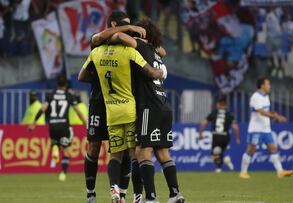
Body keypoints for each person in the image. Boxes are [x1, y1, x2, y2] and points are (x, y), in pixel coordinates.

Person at [79, 34, 166, 203]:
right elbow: (150, 70)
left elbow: (82, 76)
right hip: (129, 109)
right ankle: (138, 196)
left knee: (115, 155)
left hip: (111, 111)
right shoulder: (129, 52)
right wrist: (159, 72)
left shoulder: (96, 53)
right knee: (135, 154)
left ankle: (114, 189)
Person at [112, 19, 185, 203]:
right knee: (163, 153)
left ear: (142, 33)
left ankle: (151, 198)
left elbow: (119, 35)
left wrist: (131, 30)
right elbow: (163, 50)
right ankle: (175, 194)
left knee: (142, 152)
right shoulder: (156, 53)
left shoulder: (141, 48)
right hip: (163, 106)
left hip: (148, 106)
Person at [28, 76, 87, 181]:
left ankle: (55, 148)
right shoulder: (69, 96)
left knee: (55, 142)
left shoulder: (50, 95)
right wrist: (85, 123)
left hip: (53, 125)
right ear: (66, 85)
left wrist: (34, 123)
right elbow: (78, 112)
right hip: (64, 125)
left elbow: (43, 108)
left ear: (57, 84)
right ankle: (63, 173)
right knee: (66, 150)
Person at [239, 77, 293, 179]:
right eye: (268, 84)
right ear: (262, 85)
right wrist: (275, 116)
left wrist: (275, 115)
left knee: (273, 148)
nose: (269, 86)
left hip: (266, 129)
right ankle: (243, 172)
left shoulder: (266, 97)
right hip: (256, 129)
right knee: (251, 149)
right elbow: (261, 112)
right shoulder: (256, 97)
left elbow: (267, 111)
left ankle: (280, 171)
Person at [198, 96, 240, 173]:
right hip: (226, 137)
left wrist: (200, 134)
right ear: (226, 105)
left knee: (214, 153)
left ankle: (219, 168)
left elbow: (203, 123)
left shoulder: (214, 113)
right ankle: (226, 160)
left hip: (216, 136)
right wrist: (237, 138)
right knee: (220, 152)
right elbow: (235, 127)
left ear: (218, 104)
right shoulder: (229, 114)